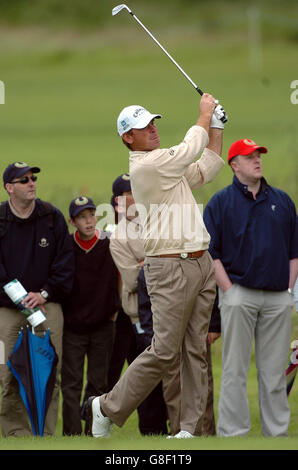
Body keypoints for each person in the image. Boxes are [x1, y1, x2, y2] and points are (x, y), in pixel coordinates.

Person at [86, 93, 226, 438]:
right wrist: (205, 114)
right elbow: (192, 147)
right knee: (164, 351)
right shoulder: (148, 165)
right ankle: (105, 407)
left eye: (152, 122)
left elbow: (205, 166)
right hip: (169, 267)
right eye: (141, 127)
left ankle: (189, 429)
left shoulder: (166, 167)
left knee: (196, 350)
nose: (151, 129)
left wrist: (218, 126)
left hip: (199, 261)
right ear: (127, 138)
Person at [203, 138, 298, 437]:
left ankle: (277, 434)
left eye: (258, 154)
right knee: (234, 370)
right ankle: (233, 435)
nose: (256, 160)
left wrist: (288, 290)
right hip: (238, 293)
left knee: (273, 372)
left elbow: (294, 252)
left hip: (277, 297)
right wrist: (229, 291)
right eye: (249, 156)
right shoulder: (220, 202)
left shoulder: (282, 201)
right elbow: (210, 252)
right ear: (234, 165)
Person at [0, 161, 74, 437]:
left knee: (48, 371)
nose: (31, 183)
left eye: (32, 178)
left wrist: (42, 293)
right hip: (7, 308)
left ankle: (43, 433)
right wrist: (17, 296)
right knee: (6, 374)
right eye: (24, 180)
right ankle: (15, 434)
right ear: (9, 188)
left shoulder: (50, 216)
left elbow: (65, 264)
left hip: (46, 304)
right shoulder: (1, 220)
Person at [108, 174, 168, 435]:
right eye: (128, 192)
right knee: (148, 380)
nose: (134, 195)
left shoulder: (155, 223)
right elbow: (133, 279)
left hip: (166, 310)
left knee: (171, 376)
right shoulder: (119, 237)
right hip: (139, 317)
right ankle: (152, 433)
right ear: (118, 202)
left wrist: (147, 263)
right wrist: (157, 263)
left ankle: (175, 427)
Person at [61, 196, 120, 435]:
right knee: (71, 382)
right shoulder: (65, 245)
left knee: (97, 382)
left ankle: (92, 432)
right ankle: (71, 433)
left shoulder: (109, 243)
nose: (88, 221)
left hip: (103, 324)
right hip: (73, 326)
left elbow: (120, 276)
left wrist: (115, 309)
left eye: (92, 215)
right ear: (72, 221)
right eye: (82, 217)